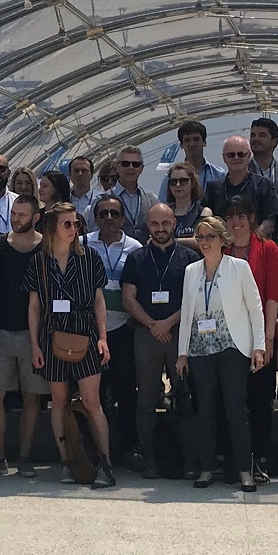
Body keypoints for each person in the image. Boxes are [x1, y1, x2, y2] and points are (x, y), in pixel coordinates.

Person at [25, 201, 115, 488]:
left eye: (76, 224)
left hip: (85, 331)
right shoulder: (39, 261)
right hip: (52, 334)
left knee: (92, 401)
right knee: (59, 401)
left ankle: (105, 463)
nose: (73, 229)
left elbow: (100, 300)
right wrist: (35, 345)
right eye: (67, 224)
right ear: (53, 227)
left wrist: (103, 337)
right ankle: (67, 461)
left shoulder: (89, 257)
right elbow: (34, 306)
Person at [178, 215, 268, 490]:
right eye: (201, 237)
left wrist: (259, 346)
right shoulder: (191, 271)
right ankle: (207, 469)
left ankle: (245, 471)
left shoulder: (239, 268)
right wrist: (182, 353)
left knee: (235, 410)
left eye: (210, 237)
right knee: (205, 410)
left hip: (233, 347)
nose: (205, 242)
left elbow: (255, 308)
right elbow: (186, 315)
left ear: (222, 240)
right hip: (200, 349)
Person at [121, 202, 194, 478]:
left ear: (173, 224)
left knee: (184, 396)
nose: (160, 229)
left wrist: (168, 323)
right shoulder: (137, 258)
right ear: (147, 226)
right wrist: (152, 324)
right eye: (155, 224)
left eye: (165, 223)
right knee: (146, 399)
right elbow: (129, 298)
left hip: (179, 335)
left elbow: (192, 298)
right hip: (147, 334)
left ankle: (189, 460)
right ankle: (149, 459)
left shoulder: (188, 257)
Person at [0, 194, 48, 475]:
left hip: (34, 336)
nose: (16, 219)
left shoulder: (46, 248)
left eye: (23, 215)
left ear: (36, 218)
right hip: (0, 332)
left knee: (32, 397)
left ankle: (25, 457)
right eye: (14, 213)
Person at [223, 196, 278, 481]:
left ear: (252, 218)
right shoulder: (221, 250)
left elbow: (272, 297)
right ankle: (235, 459)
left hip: (260, 335)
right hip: (228, 337)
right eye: (231, 217)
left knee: (260, 401)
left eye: (241, 216)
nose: (236, 222)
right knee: (232, 401)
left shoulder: (269, 249)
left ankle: (260, 458)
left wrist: (267, 339)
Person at [85, 194, 142, 459]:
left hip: (123, 330)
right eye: (103, 213)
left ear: (123, 218)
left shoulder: (135, 247)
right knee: (94, 394)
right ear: (95, 218)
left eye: (114, 213)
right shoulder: (83, 244)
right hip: (91, 331)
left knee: (126, 390)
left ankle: (130, 446)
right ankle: (96, 448)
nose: (109, 218)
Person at [207, 135, 278, 244]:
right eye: (231, 155)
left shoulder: (265, 185)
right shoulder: (213, 188)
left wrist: (248, 243)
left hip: (256, 247)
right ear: (224, 158)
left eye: (241, 154)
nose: (236, 158)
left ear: (249, 156)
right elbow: (210, 223)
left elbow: (270, 222)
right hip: (223, 249)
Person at [109, 146, 163, 242]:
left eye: (136, 164)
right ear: (116, 167)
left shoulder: (152, 200)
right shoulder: (102, 200)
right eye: (125, 164)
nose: (131, 167)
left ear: (141, 169)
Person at [162, 165, 206, 240]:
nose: (178, 185)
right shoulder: (163, 213)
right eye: (173, 182)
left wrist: (170, 242)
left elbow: (200, 240)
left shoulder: (203, 212)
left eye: (183, 181)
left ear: (192, 183)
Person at [67, 155, 101, 223]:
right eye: (76, 171)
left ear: (91, 175)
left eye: (84, 170)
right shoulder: (64, 200)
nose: (80, 174)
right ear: (70, 175)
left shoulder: (100, 199)